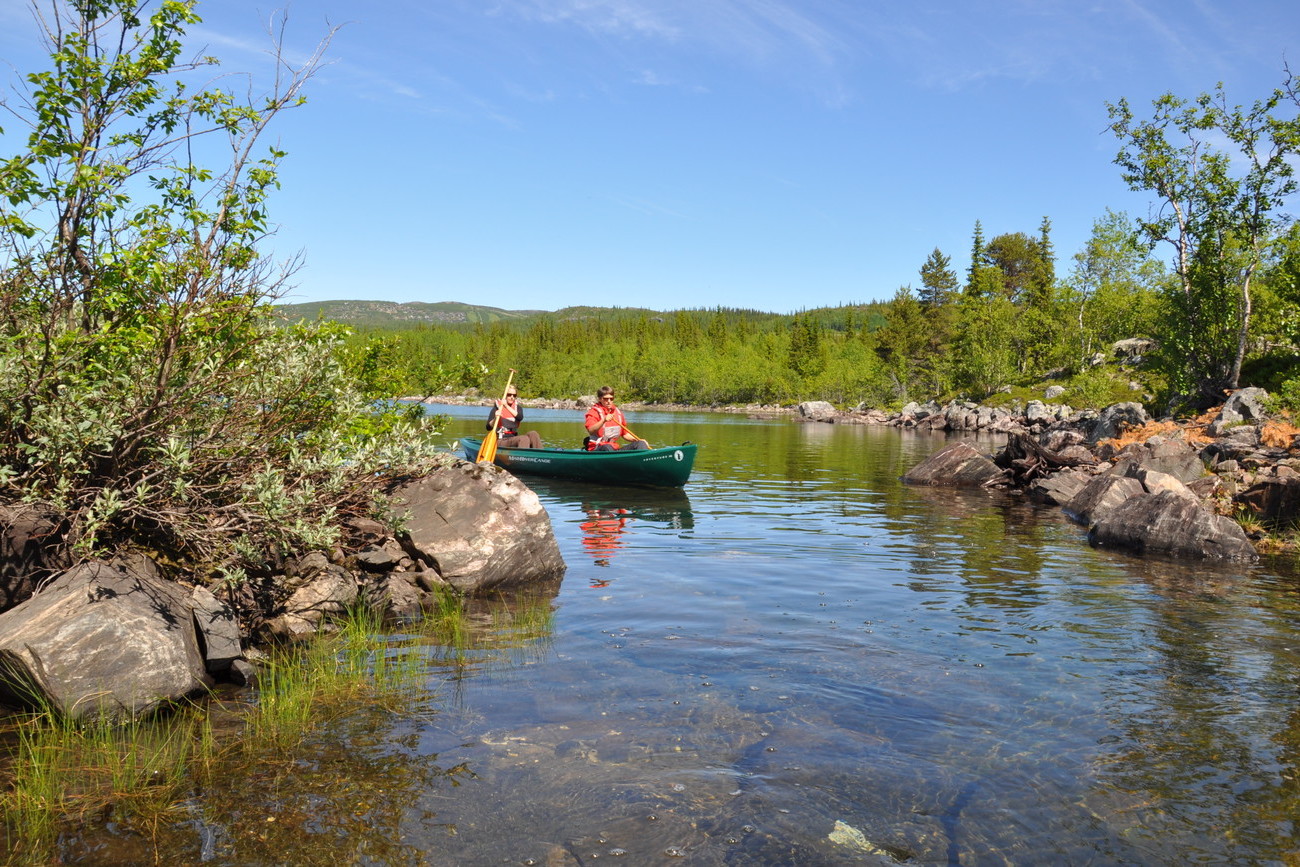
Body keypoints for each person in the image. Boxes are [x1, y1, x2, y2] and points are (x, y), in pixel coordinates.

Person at [584, 386, 649, 451]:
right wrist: (603, 420)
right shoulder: (593, 412)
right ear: (600, 399)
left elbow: (625, 434)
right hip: (598, 448)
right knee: (607, 447)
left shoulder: (618, 413)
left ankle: (642, 459)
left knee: (641, 443)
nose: (609, 401)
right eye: (606, 399)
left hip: (613, 449)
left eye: (611, 399)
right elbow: (591, 431)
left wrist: (638, 440)